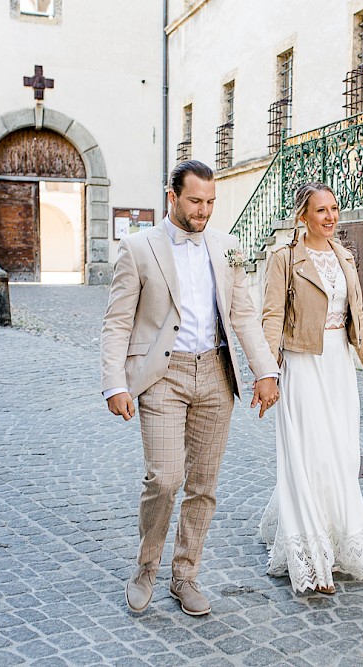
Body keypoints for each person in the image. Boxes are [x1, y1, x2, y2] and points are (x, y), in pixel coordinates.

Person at [100, 160, 280, 616]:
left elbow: (243, 315)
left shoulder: (227, 246)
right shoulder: (138, 248)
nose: (204, 210)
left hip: (216, 374)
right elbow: (118, 321)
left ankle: (185, 575)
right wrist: (114, 383)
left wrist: (265, 372)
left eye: (211, 202)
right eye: (195, 201)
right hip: (163, 375)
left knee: (204, 484)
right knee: (164, 478)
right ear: (172, 196)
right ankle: (146, 567)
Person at [259, 182, 363, 594]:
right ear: (303, 215)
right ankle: (313, 561)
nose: (331, 217)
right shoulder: (284, 258)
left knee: (340, 455)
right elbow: (270, 318)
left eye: (334, 208)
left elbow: (358, 320)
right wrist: (267, 373)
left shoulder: (345, 257)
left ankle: (336, 538)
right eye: (321, 210)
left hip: (339, 367)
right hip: (302, 366)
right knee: (310, 456)